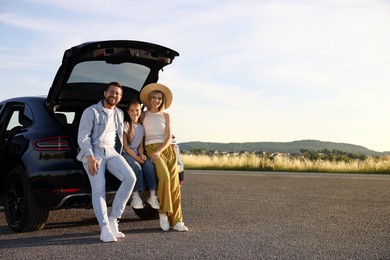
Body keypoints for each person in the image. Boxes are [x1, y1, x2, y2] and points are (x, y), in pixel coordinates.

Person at [77, 82, 136, 242]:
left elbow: (119, 136)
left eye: (117, 94)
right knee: (99, 189)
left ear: (120, 97)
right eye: (111, 92)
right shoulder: (91, 111)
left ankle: (113, 219)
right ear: (105, 93)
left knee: (130, 178)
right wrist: (89, 156)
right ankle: (104, 228)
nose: (114, 95)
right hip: (94, 151)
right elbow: (83, 137)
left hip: (111, 152)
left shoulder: (119, 113)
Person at [140, 83, 188, 232]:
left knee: (174, 185)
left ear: (163, 100)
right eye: (153, 97)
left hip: (166, 150)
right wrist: (143, 152)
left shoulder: (166, 116)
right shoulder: (143, 115)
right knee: (165, 178)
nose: (156, 100)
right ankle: (163, 214)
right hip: (151, 149)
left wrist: (160, 151)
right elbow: (139, 136)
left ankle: (178, 220)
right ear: (149, 99)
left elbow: (168, 138)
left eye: (159, 98)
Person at [122, 99, 160, 210]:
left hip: (137, 154)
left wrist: (142, 155)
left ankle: (152, 196)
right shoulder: (125, 125)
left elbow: (140, 146)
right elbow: (125, 147)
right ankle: (136, 197)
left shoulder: (141, 128)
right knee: (136, 167)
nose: (135, 113)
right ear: (128, 112)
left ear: (140, 111)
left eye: (137, 110)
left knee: (149, 165)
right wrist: (137, 158)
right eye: (132, 111)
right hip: (126, 154)